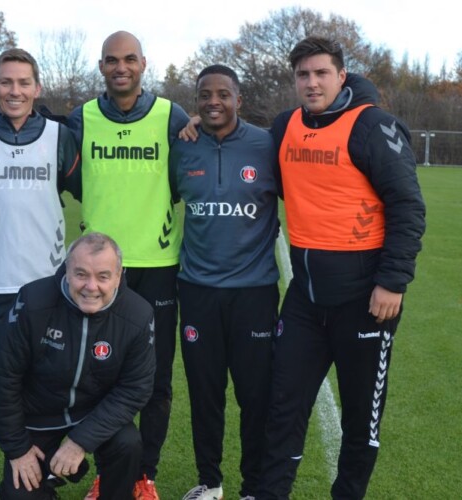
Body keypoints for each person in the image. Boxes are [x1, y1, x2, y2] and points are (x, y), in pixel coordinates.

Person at [257, 36, 425, 499]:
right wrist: (200, 123)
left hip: (366, 301)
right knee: (282, 408)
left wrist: (392, 281)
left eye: (321, 73)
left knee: (360, 420)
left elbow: (408, 205)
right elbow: (246, 154)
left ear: (341, 75)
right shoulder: (284, 126)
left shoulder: (372, 125)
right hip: (305, 299)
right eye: (303, 75)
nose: (312, 83)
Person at [66, 30, 190, 500]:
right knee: (98, 375)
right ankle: (110, 471)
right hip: (98, 274)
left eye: (130, 59)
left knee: (156, 379)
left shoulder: (170, 116)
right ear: (101, 66)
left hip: (156, 264)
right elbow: (72, 178)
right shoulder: (82, 118)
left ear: (143, 63)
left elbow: (185, 175)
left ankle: (144, 476)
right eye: (112, 60)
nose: (121, 67)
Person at [0, 47, 80, 499]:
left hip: (44, 285)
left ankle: (37, 465)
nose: (15, 91)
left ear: (37, 88)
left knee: (43, 380)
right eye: (6, 82)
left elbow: (90, 191)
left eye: (24, 82)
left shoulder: (59, 137)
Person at [170, 65, 280, 500]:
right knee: (205, 394)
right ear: (195, 101)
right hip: (197, 291)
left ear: (239, 99)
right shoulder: (182, 145)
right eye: (205, 95)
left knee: (255, 397)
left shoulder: (266, 145)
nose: (213, 101)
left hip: (254, 293)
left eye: (223, 94)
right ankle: (210, 483)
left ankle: (253, 487)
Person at [0, 232, 156, 500]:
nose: (91, 286)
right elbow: (2, 376)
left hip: (93, 413)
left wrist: (80, 442)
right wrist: (18, 449)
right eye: (81, 274)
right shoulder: (33, 300)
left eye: (103, 276)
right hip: (38, 418)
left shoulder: (138, 314)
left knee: (127, 443)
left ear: (118, 275)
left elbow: (135, 388)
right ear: (66, 269)